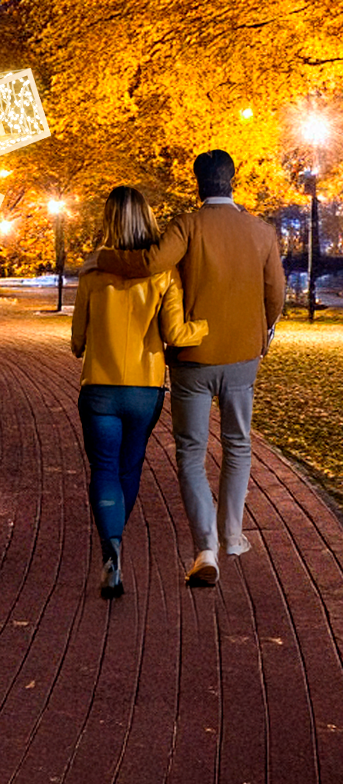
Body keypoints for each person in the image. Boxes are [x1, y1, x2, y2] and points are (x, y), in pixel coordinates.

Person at [97, 151, 285, 587]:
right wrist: (262, 335)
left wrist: (105, 259)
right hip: (242, 356)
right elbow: (275, 295)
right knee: (238, 445)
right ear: (233, 180)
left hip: (192, 359)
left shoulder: (187, 225)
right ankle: (233, 535)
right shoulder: (261, 231)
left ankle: (206, 548)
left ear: (198, 182)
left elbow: (148, 264)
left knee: (191, 453)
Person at [72, 186, 207, 599]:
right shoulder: (163, 273)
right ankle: (117, 541)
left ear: (108, 220)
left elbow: (77, 340)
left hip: (99, 388)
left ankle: (110, 548)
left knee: (104, 470)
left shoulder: (93, 271)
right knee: (129, 469)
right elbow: (175, 333)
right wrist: (206, 328)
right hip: (145, 390)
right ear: (147, 218)